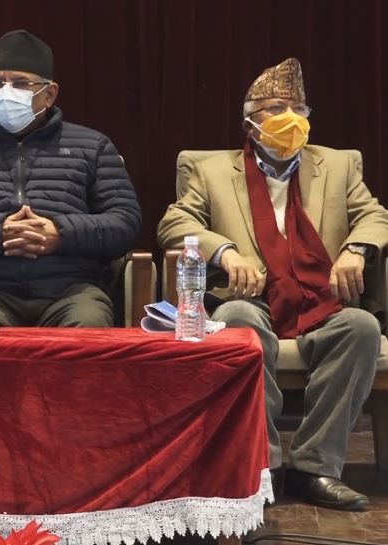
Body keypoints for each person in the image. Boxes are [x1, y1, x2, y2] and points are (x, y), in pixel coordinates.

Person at [158, 57, 388, 511]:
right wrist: (224, 251)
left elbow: (374, 215)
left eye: (299, 109)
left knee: (361, 327)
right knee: (236, 319)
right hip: (250, 295)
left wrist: (357, 249)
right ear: (250, 122)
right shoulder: (212, 170)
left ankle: (315, 467)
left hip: (321, 296)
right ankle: (262, 466)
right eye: (277, 109)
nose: (291, 118)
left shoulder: (337, 165)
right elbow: (174, 222)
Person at [0, 29, 141, 327]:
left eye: (19, 83)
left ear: (49, 93)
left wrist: (60, 234)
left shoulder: (93, 146)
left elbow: (126, 221)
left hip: (71, 290)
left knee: (88, 326)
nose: (6, 92)